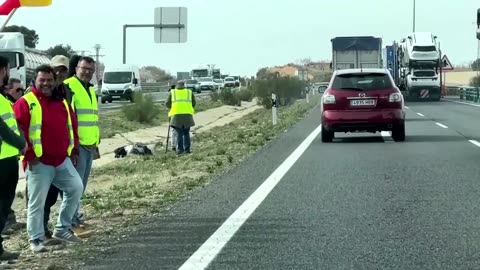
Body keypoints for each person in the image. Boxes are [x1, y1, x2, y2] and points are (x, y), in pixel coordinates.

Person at [13, 64, 84, 252]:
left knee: (76, 188)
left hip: (61, 160)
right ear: (35, 81)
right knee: (37, 201)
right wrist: (29, 155)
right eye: (42, 80)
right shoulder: (25, 102)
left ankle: (62, 229)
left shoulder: (62, 102)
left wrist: (74, 150)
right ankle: (35, 239)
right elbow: (19, 131)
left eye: (49, 80)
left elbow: (72, 126)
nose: (46, 83)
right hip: (39, 162)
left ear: (54, 81)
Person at [64, 56, 99, 236]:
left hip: (90, 144)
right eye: (84, 68)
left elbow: (92, 117)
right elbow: (67, 118)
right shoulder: (69, 86)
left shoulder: (91, 90)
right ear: (76, 68)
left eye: (90, 70)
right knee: (74, 186)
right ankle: (70, 223)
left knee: (81, 186)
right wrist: (72, 145)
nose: (87, 72)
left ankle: (75, 218)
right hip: (77, 146)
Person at [0, 56, 27, 261]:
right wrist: (22, 143)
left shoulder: (2, 97)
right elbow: (3, 130)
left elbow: (12, 124)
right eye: (7, 70)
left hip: (9, 159)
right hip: (2, 160)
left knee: (4, 206)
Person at [166, 80, 196, 155]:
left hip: (176, 116)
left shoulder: (173, 92)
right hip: (187, 116)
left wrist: (173, 107)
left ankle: (180, 150)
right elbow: (194, 103)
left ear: (177, 85)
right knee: (186, 133)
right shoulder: (189, 92)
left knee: (179, 133)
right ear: (184, 85)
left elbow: (167, 104)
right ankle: (187, 149)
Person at [168, 84, 177, 151]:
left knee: (173, 130)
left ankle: (173, 145)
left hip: (173, 113)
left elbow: (167, 103)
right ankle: (178, 145)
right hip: (181, 113)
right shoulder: (178, 92)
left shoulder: (171, 93)